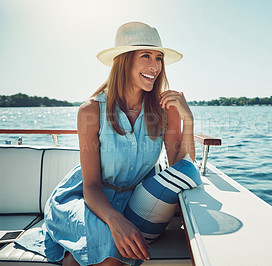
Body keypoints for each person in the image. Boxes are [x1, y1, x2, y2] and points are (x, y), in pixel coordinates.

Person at [16, 21, 201, 266]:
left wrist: (188, 119)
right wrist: (116, 220)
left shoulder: (166, 109)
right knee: (102, 255)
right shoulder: (91, 111)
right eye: (146, 55)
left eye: (158, 58)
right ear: (123, 61)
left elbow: (182, 168)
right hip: (85, 198)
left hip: (134, 203)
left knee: (86, 258)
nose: (155, 66)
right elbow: (90, 185)